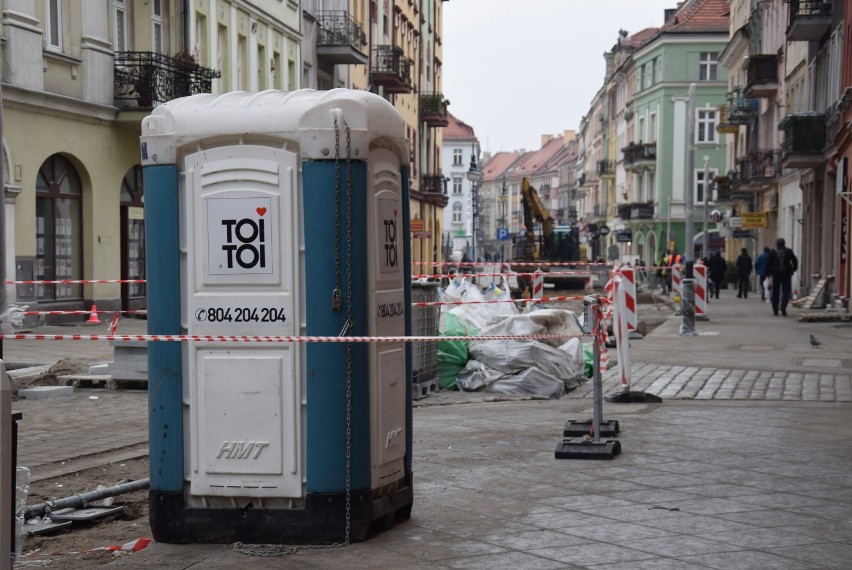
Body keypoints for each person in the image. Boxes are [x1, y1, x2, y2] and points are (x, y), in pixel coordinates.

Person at [766, 237, 798, 316]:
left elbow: (768, 263)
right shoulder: (789, 251)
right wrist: (794, 269)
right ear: (784, 243)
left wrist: (768, 274)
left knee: (775, 292)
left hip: (776, 274)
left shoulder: (772, 252)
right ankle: (783, 306)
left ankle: (775, 310)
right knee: (786, 291)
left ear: (777, 244)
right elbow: (795, 260)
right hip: (786, 274)